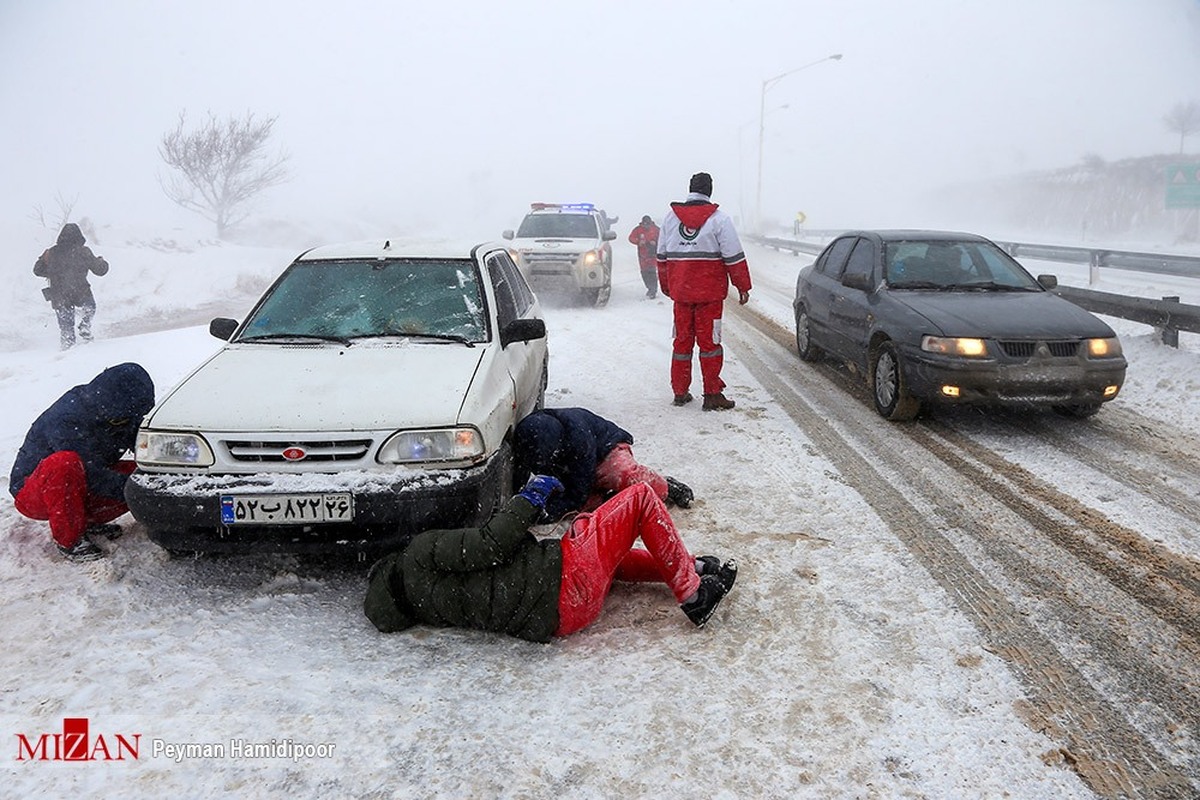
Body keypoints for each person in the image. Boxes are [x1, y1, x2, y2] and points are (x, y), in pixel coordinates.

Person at [363, 476, 737, 642]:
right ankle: (694, 596)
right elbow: (493, 543)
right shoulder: (418, 554)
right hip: (561, 575)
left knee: (603, 552)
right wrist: (529, 496)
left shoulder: (422, 603)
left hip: (562, 616)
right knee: (638, 499)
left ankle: (697, 568)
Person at [9, 363, 155, 562]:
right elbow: (91, 474)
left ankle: (83, 522)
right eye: (125, 418)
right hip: (33, 492)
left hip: (79, 482)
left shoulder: (124, 411)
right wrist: (136, 490)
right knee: (65, 463)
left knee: (142, 474)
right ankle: (69, 541)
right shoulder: (68, 417)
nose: (132, 420)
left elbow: (142, 447)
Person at [656, 172, 752, 411]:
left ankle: (680, 391)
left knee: (682, 342)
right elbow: (733, 256)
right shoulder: (719, 220)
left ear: (690, 189)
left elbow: (661, 257)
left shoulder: (670, 219)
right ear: (709, 191)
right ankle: (711, 394)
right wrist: (743, 286)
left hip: (682, 294)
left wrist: (668, 286)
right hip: (709, 295)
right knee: (710, 344)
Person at [513, 407, 694, 521]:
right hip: (574, 469)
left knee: (625, 476)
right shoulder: (530, 437)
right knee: (588, 513)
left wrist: (550, 511)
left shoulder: (577, 437)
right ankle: (609, 496)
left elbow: (579, 489)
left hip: (606, 452)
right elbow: (522, 469)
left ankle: (665, 486)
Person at [34, 222, 111, 350]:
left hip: (59, 295)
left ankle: (67, 350)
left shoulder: (52, 252)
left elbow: (37, 270)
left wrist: (47, 266)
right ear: (79, 236)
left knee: (66, 328)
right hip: (80, 291)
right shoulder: (83, 252)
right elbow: (99, 270)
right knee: (90, 308)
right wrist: (102, 262)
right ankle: (85, 325)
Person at [627, 215, 661, 298]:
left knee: (652, 272)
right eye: (644, 224)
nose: (646, 226)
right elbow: (631, 238)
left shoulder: (656, 229)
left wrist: (655, 242)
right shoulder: (638, 229)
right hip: (642, 254)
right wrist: (638, 241)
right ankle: (649, 288)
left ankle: (653, 290)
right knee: (644, 272)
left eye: (648, 224)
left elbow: (663, 238)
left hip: (652, 254)